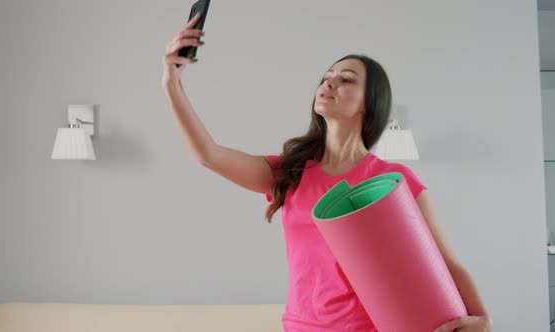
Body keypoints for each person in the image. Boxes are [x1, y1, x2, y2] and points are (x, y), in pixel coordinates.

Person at [162, 13, 493, 332]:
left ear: (369, 102)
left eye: (346, 79)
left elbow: (443, 263)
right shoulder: (289, 171)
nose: (329, 82)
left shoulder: (394, 180)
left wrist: (483, 319)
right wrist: (172, 81)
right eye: (327, 77)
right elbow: (209, 155)